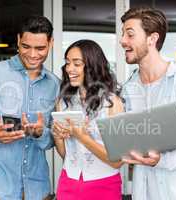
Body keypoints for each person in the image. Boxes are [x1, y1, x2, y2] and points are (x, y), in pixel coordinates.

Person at [0, 16, 59, 200]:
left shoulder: (55, 85)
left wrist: (40, 133)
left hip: (38, 190)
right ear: (18, 40)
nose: (32, 55)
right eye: (26, 46)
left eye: (40, 48)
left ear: (51, 43)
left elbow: (54, 139)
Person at [120, 7, 176, 200]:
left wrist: (161, 160)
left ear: (152, 39)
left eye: (130, 34)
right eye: (123, 34)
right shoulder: (129, 87)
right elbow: (130, 136)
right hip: (143, 192)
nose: (123, 41)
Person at [52, 39, 124, 200]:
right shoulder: (63, 102)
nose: (69, 69)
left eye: (77, 64)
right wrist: (57, 135)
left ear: (92, 66)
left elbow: (117, 161)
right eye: (67, 63)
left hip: (104, 185)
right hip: (68, 182)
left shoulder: (112, 104)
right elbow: (65, 154)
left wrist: (82, 137)